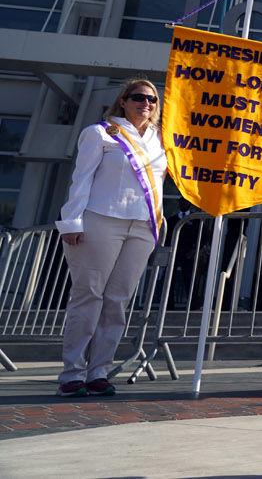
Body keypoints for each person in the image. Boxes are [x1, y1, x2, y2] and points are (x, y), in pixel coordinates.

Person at [55, 78, 167, 398]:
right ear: (123, 100)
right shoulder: (100, 133)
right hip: (101, 220)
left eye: (152, 99)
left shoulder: (160, 141)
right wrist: (72, 221)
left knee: (117, 301)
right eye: (138, 97)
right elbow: (81, 180)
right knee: (88, 295)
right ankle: (72, 372)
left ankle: (99, 370)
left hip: (142, 226)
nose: (146, 103)